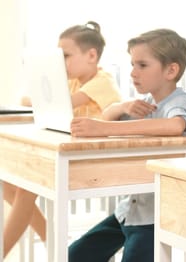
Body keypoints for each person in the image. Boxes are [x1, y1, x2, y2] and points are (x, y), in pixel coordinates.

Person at [68, 29, 186, 262]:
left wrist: (105, 130)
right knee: (75, 254)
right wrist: (122, 107)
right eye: (132, 64)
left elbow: (174, 126)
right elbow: (107, 117)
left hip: (155, 216)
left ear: (171, 70)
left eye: (142, 65)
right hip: (130, 211)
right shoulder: (146, 104)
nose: (133, 72)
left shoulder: (180, 102)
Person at [3, 21, 121, 258]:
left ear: (91, 55)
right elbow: (31, 99)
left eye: (66, 55)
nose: (61, 63)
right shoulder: (73, 81)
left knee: (26, 189)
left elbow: (56, 103)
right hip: (70, 151)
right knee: (8, 179)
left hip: (96, 159)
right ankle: (52, 239)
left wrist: (36, 97)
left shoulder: (102, 81)